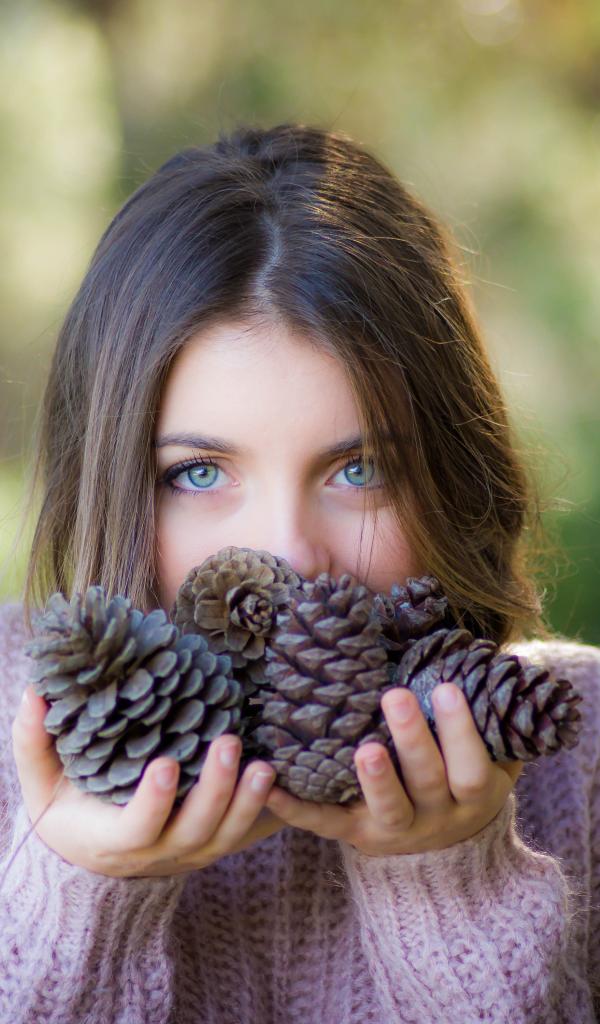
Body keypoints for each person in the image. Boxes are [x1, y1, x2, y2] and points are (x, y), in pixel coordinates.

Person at [0, 122, 598, 1023]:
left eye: (361, 470)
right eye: (199, 474)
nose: (286, 558)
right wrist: (76, 895)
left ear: (453, 475)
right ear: (108, 481)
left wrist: (449, 883)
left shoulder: (575, 741)